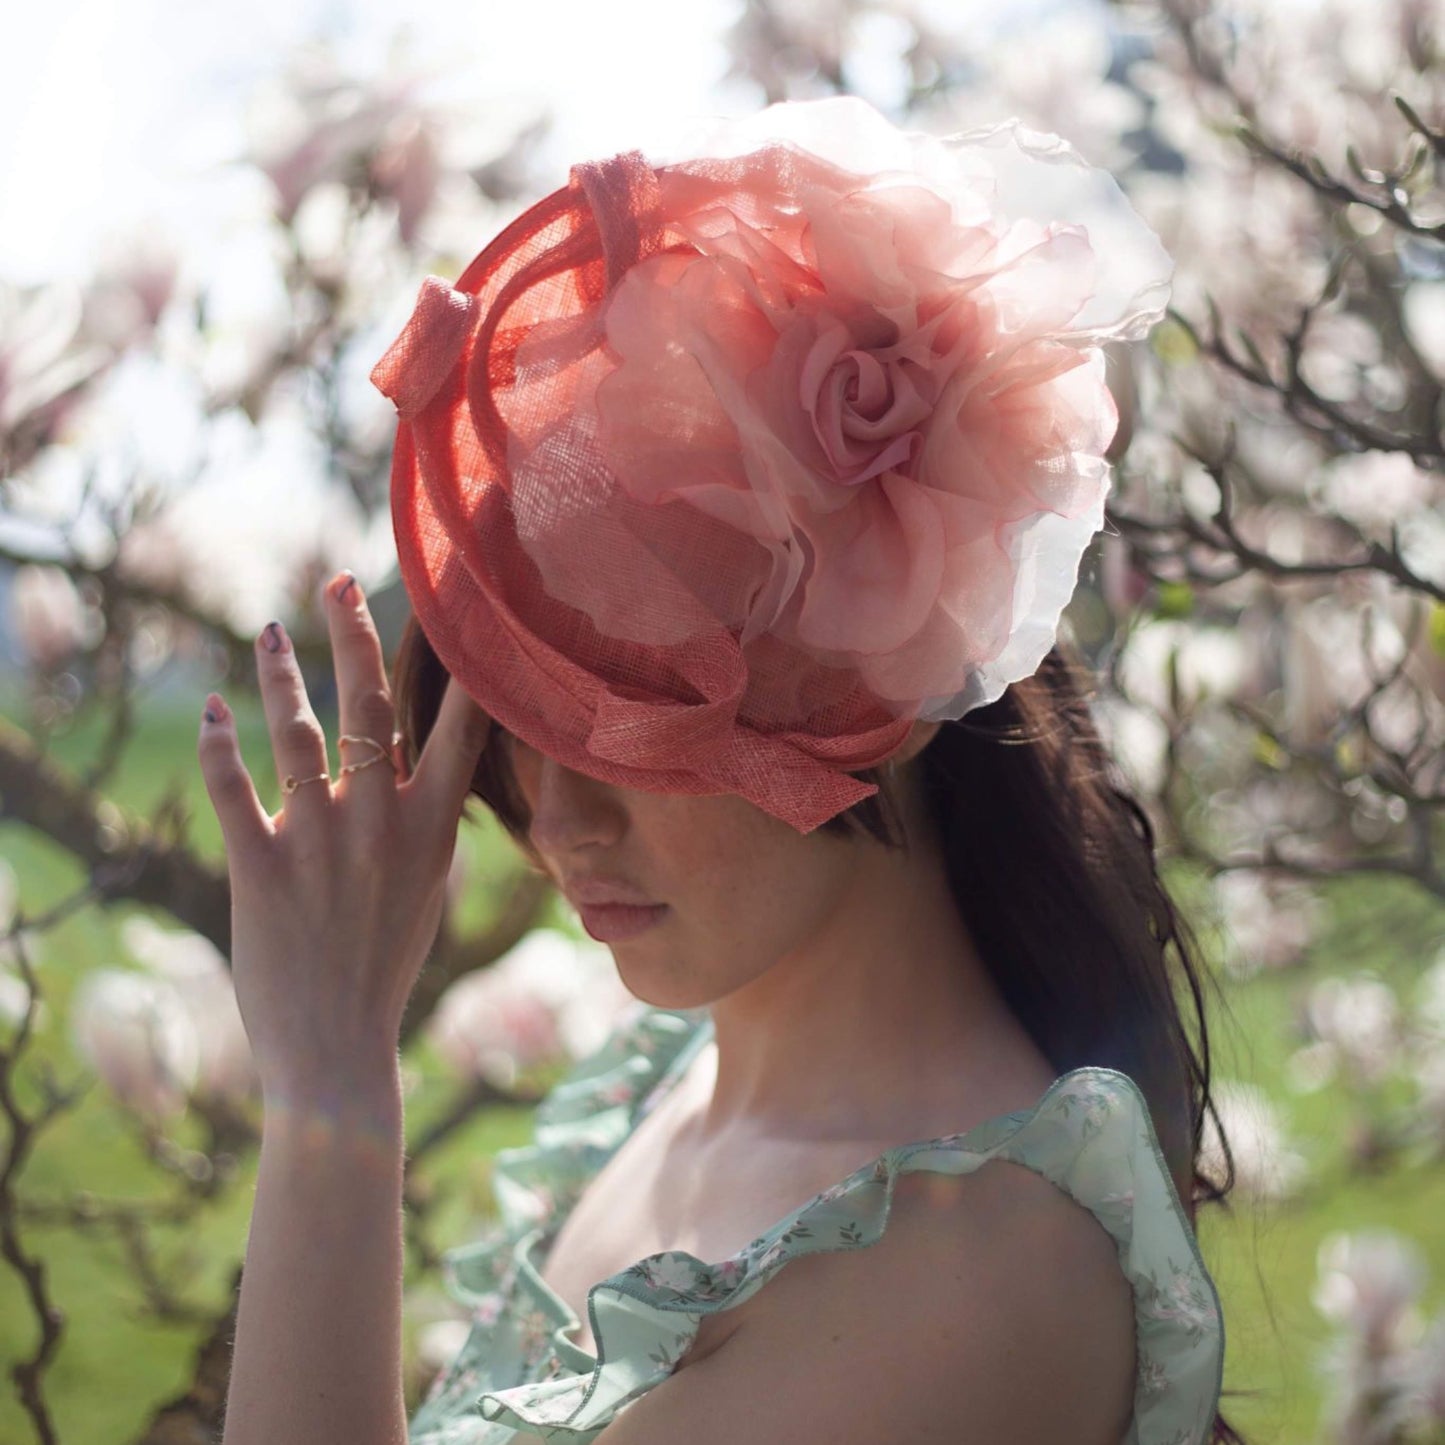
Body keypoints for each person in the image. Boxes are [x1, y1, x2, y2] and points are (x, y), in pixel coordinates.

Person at [200, 97, 1233, 1445]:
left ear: (874, 692)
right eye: (518, 724)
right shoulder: (675, 1078)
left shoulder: (960, 1277)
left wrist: (332, 1077)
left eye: (632, 726)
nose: (552, 818)